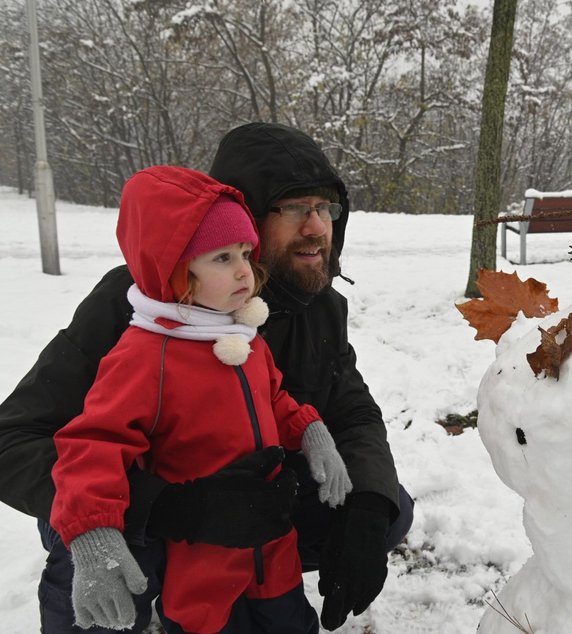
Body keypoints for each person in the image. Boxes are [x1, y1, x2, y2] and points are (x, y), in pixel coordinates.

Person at [0, 122, 412, 633]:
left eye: (324, 208)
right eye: (293, 208)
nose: (316, 227)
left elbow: (352, 412)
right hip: (138, 507)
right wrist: (167, 507)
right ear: (244, 218)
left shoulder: (319, 307)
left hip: (254, 505)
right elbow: (13, 440)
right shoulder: (138, 305)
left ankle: (249, 594)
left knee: (384, 505)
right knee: (91, 542)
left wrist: (368, 511)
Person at [52, 165, 354, 633]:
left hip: (272, 541)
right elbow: (93, 444)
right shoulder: (146, 355)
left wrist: (313, 433)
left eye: (245, 252)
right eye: (220, 258)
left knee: (290, 621)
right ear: (175, 272)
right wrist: (94, 535)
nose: (243, 270)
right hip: (202, 553)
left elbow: (274, 398)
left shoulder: (244, 335)